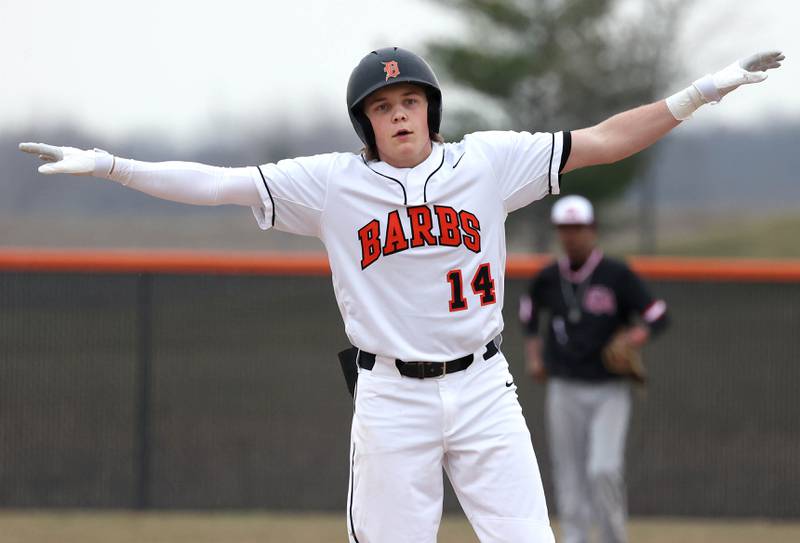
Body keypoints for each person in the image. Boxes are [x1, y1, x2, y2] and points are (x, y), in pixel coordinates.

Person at [19, 46, 782, 543]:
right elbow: (216, 185)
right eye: (384, 107)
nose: (399, 113)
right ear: (367, 123)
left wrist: (700, 92)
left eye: (410, 101)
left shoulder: (490, 162)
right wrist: (113, 165)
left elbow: (606, 139)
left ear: (430, 109)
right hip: (392, 395)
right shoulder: (332, 185)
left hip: (485, 383)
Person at [519, 194, 669, 543]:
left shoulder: (616, 275)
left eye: (578, 228)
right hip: (564, 387)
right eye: (565, 228)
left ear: (593, 230)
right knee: (568, 473)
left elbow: (658, 315)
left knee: (602, 469)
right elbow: (528, 315)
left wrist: (632, 338)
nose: (571, 236)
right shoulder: (548, 278)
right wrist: (534, 356)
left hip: (608, 389)